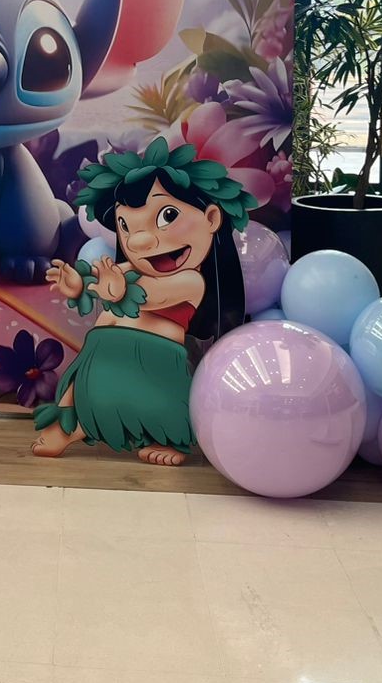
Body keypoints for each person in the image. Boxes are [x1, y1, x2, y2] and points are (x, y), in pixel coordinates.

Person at [33, 137, 252, 466]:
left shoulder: (191, 280)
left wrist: (118, 291)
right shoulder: (128, 270)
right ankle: (70, 425)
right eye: (126, 225)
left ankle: (170, 439)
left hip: (153, 356)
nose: (139, 241)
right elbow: (98, 282)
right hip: (104, 346)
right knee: (79, 386)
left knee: (156, 402)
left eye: (166, 216)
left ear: (211, 218)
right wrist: (78, 285)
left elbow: (150, 295)